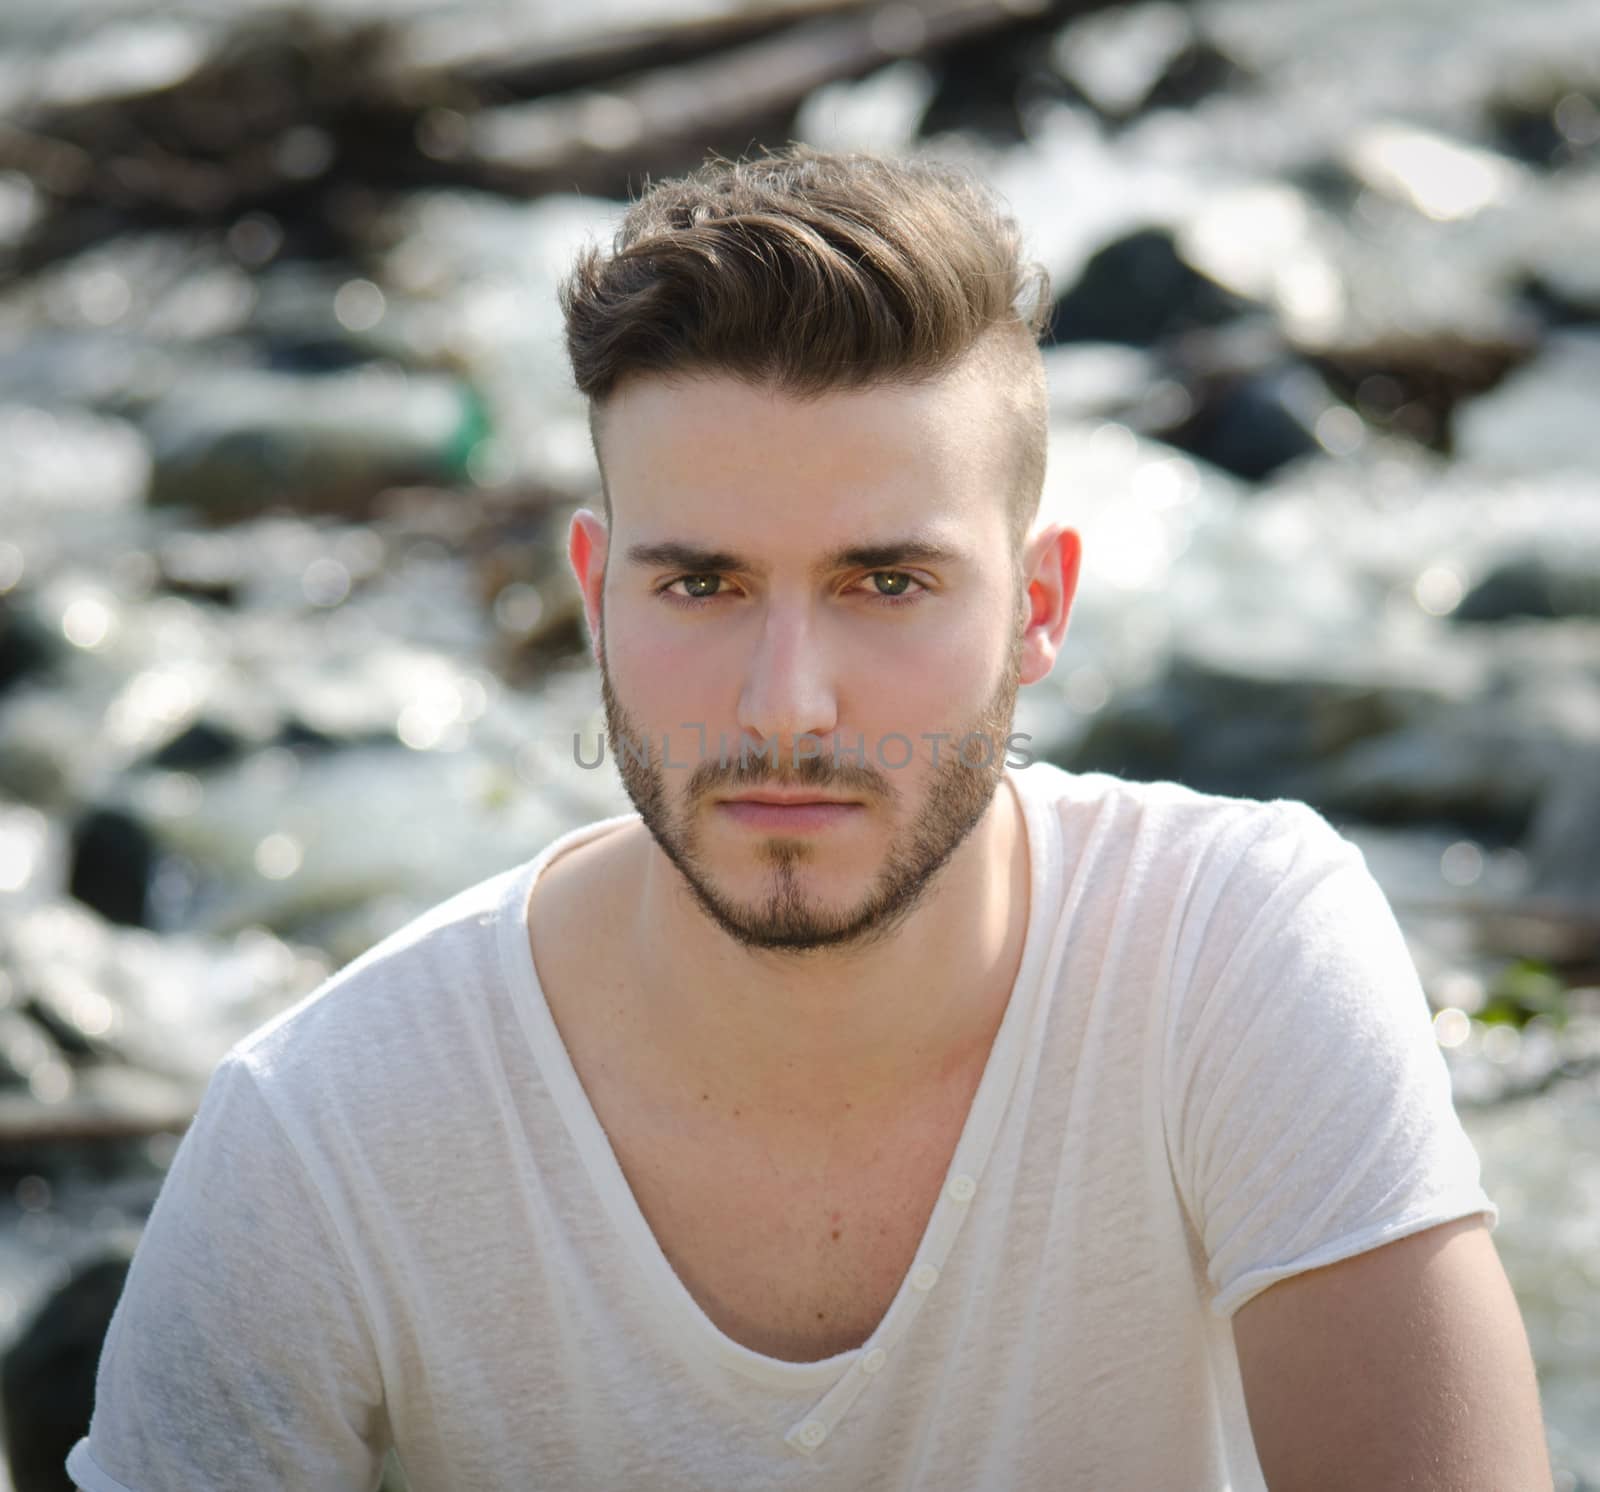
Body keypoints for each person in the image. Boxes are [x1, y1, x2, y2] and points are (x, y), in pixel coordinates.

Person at [67, 146, 1552, 1491]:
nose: (788, 705)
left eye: (885, 583)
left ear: (1038, 609)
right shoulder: (322, 1142)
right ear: (594, 598)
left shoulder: (1232, 957)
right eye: (700, 585)